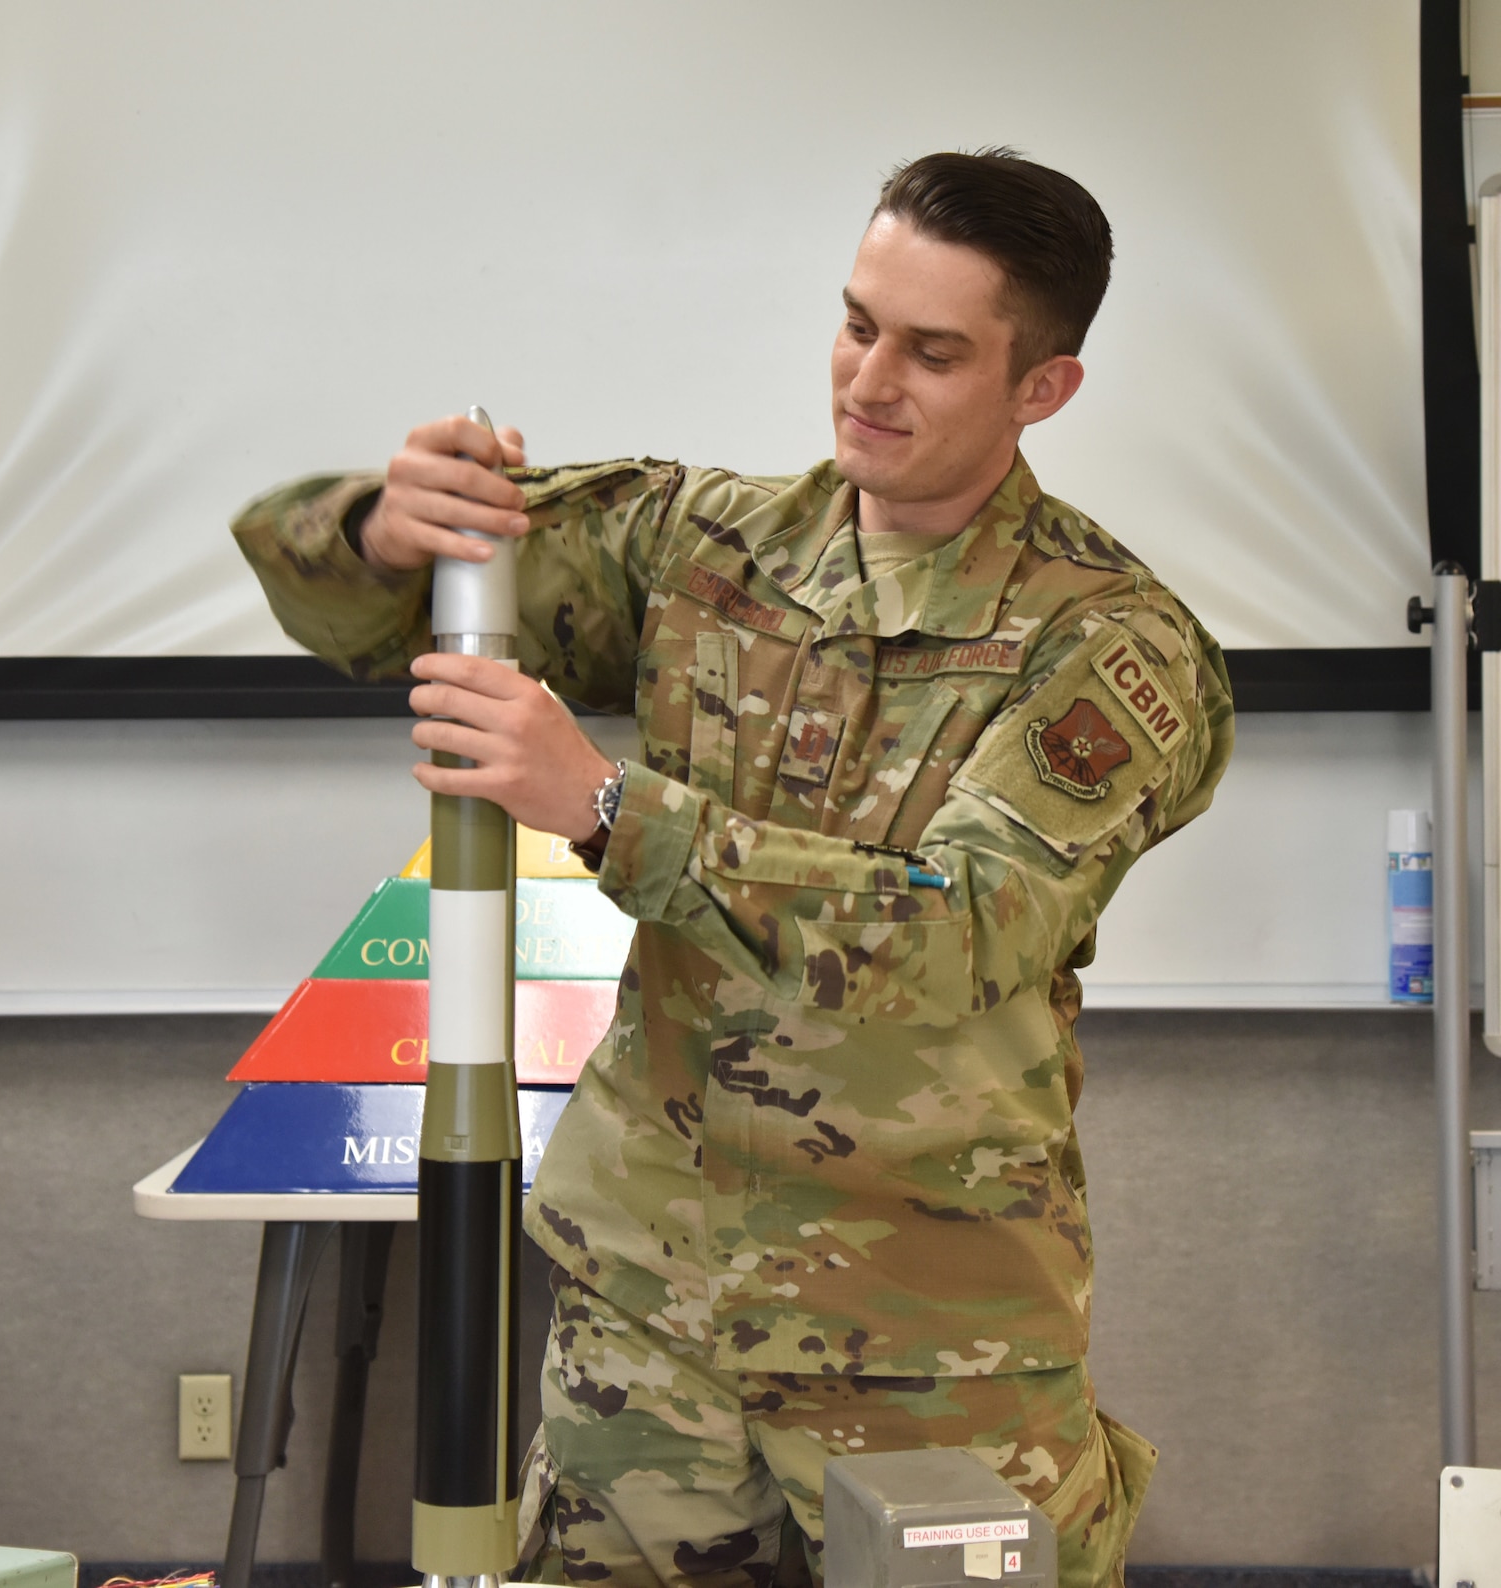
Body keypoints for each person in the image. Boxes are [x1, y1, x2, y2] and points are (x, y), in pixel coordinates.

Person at [231, 149, 1233, 1588]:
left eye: (933, 352)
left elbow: (967, 929)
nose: (869, 378)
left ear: (1042, 389)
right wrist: (394, 529)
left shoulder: (1107, 649)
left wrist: (604, 807)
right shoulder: (705, 549)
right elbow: (373, 602)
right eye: (856, 322)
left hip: (924, 1348)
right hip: (652, 1317)